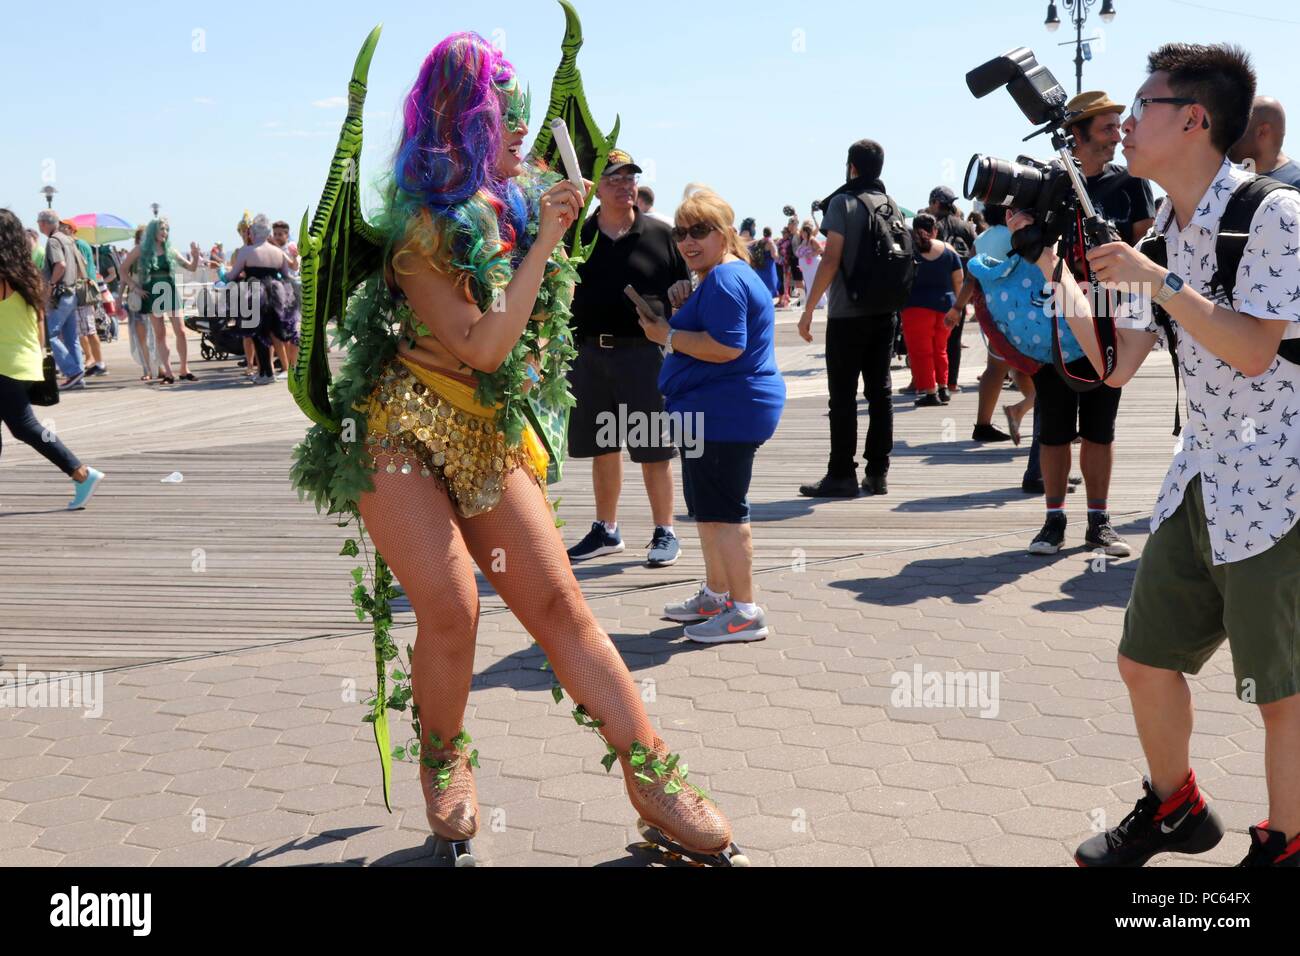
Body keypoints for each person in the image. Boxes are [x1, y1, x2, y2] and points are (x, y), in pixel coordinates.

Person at [290, 32, 742, 863]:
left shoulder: (520, 201)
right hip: (399, 428)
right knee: (453, 607)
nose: (522, 136)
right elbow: (484, 347)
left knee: (560, 607)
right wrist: (541, 248)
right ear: (465, 124)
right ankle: (443, 756)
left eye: (527, 122)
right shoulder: (418, 232)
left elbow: (534, 324)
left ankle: (651, 770)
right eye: (507, 121)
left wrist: (564, 223)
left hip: (485, 431)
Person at [1028, 43, 1300, 867]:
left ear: (1194, 119)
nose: (1121, 126)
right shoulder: (1166, 231)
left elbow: (1254, 349)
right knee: (1144, 660)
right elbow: (1113, 362)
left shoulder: (1274, 215)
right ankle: (1177, 807)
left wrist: (1157, 281)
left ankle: (1286, 844)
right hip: (1199, 478)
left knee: (1277, 692)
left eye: (1140, 108)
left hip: (1278, 483)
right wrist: (1058, 269)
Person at [638, 188, 786, 643]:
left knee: (725, 512)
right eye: (682, 232)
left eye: (700, 231)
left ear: (723, 233)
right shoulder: (719, 276)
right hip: (715, 410)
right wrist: (683, 309)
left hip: (727, 411)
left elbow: (727, 346)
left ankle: (745, 612)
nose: (688, 241)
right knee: (706, 509)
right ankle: (718, 595)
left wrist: (666, 333)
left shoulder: (724, 278)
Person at [1023, 90, 1156, 558]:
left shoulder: (1131, 182)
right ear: (1076, 135)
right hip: (1058, 316)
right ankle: (1053, 520)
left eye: (1120, 126)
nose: (1118, 135)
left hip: (1111, 316)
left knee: (1101, 426)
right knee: (1054, 426)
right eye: (1107, 127)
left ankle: (1098, 522)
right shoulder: (1051, 182)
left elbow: (1149, 247)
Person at [565, 149, 689, 568]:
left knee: (654, 449)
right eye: (614, 179)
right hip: (590, 354)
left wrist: (679, 299)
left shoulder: (661, 235)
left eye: (630, 178)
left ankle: (664, 530)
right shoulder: (577, 236)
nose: (625, 186)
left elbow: (684, 288)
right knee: (604, 446)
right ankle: (607, 529)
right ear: (596, 188)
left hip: (643, 356)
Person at [797, 138, 900, 498]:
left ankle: (841, 474)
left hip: (847, 315)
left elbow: (830, 258)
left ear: (852, 167)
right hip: (885, 313)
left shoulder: (843, 202)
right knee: (880, 393)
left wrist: (808, 309)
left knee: (842, 396)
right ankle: (878, 473)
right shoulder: (890, 204)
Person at [0, 209, 104, 508]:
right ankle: (81, 473)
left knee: (25, 426)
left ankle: (81, 473)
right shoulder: (28, 274)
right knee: (23, 426)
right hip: (23, 359)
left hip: (5, 362)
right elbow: (40, 322)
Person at [118, 219, 204, 384]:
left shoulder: (170, 249)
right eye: (161, 229)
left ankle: (185, 369)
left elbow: (191, 268)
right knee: (160, 334)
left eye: (166, 229)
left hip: (169, 290)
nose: (164, 232)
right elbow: (122, 269)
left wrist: (195, 256)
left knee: (181, 330)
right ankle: (169, 373)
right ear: (152, 232)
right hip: (152, 293)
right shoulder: (141, 249)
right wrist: (134, 288)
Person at [900, 213, 963, 407]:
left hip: (916, 307)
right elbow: (959, 279)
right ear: (935, 230)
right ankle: (943, 388)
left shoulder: (909, 250)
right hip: (946, 306)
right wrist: (958, 307)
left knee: (922, 352)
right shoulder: (949, 250)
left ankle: (930, 391)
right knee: (940, 348)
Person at [225, 214, 293, 384]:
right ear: (268, 233)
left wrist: (222, 273)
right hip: (276, 292)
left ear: (252, 233)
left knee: (256, 332)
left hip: (255, 292)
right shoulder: (278, 252)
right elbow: (286, 275)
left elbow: (232, 275)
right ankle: (265, 371)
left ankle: (266, 373)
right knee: (270, 331)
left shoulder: (247, 251)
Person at [928, 186, 977, 392]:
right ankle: (952, 382)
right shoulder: (966, 227)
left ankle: (935, 382)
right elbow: (977, 255)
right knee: (954, 339)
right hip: (962, 290)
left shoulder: (933, 227)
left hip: (936, 290)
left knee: (933, 339)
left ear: (937, 203)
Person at [35, 210, 86, 390]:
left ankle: (72, 372)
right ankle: (78, 374)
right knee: (71, 336)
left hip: (60, 294)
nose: (38, 225)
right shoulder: (68, 239)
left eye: (39, 222)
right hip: (72, 292)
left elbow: (60, 264)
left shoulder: (54, 241)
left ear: (45, 223)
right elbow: (82, 265)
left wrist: (50, 284)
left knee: (51, 335)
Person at [59, 221, 107, 378]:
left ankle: (99, 362)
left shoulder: (79, 245)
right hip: (79, 291)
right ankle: (90, 358)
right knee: (81, 331)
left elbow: (84, 269)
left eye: (63, 226)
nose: (60, 228)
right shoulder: (69, 244)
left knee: (90, 329)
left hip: (84, 292)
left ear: (71, 229)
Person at [1229, 95, 1300, 187]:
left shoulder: (1296, 183)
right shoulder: (1230, 180)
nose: (1229, 140)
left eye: (1237, 131)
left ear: (1262, 132)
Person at [795, 219, 824, 310]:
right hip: (807, 267)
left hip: (813, 264)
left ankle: (819, 302)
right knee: (808, 283)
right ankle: (812, 301)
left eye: (803, 232)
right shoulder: (804, 241)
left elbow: (821, 249)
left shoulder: (812, 240)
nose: (802, 234)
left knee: (815, 283)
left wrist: (811, 254)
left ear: (807, 232)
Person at [748, 226, 780, 300]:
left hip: (759, 266)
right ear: (771, 233)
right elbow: (774, 255)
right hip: (769, 267)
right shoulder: (770, 243)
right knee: (770, 286)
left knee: (761, 285)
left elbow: (748, 245)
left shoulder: (759, 241)